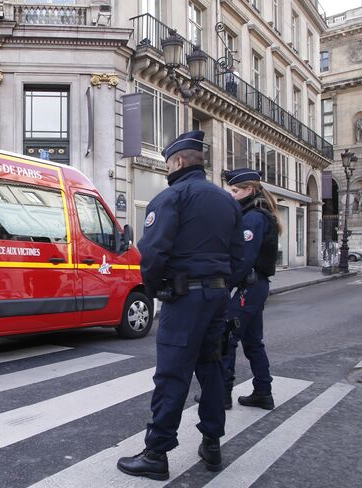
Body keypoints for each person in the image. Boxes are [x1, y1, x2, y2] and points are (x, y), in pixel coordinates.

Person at [117, 131, 244, 480]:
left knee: (173, 375)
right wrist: (220, 285)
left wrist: (158, 289)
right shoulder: (227, 201)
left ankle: (157, 453)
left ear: (177, 162)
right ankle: (212, 444)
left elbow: (153, 253)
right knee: (212, 369)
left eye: (167, 163)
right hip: (217, 298)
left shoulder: (171, 197)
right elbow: (237, 254)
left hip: (185, 297)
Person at [221, 168, 281, 410]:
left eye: (235, 190)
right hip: (255, 286)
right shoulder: (257, 214)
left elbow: (243, 259)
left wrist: (225, 286)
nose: (232, 195)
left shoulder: (254, 217)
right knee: (253, 341)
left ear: (249, 190)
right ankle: (263, 392)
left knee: (226, 336)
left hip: (250, 287)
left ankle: (221, 393)